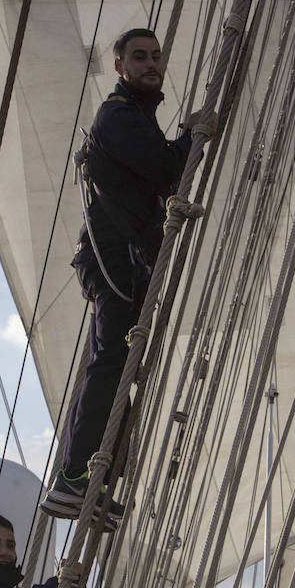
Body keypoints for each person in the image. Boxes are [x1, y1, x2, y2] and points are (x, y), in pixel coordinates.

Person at [41, 28, 216, 522]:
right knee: (111, 359)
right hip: (114, 256)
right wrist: (194, 135)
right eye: (139, 57)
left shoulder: (134, 117)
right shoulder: (117, 116)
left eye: (157, 57)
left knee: (116, 361)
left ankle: (88, 479)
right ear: (119, 66)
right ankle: (76, 474)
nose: (151, 64)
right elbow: (165, 168)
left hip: (124, 256)